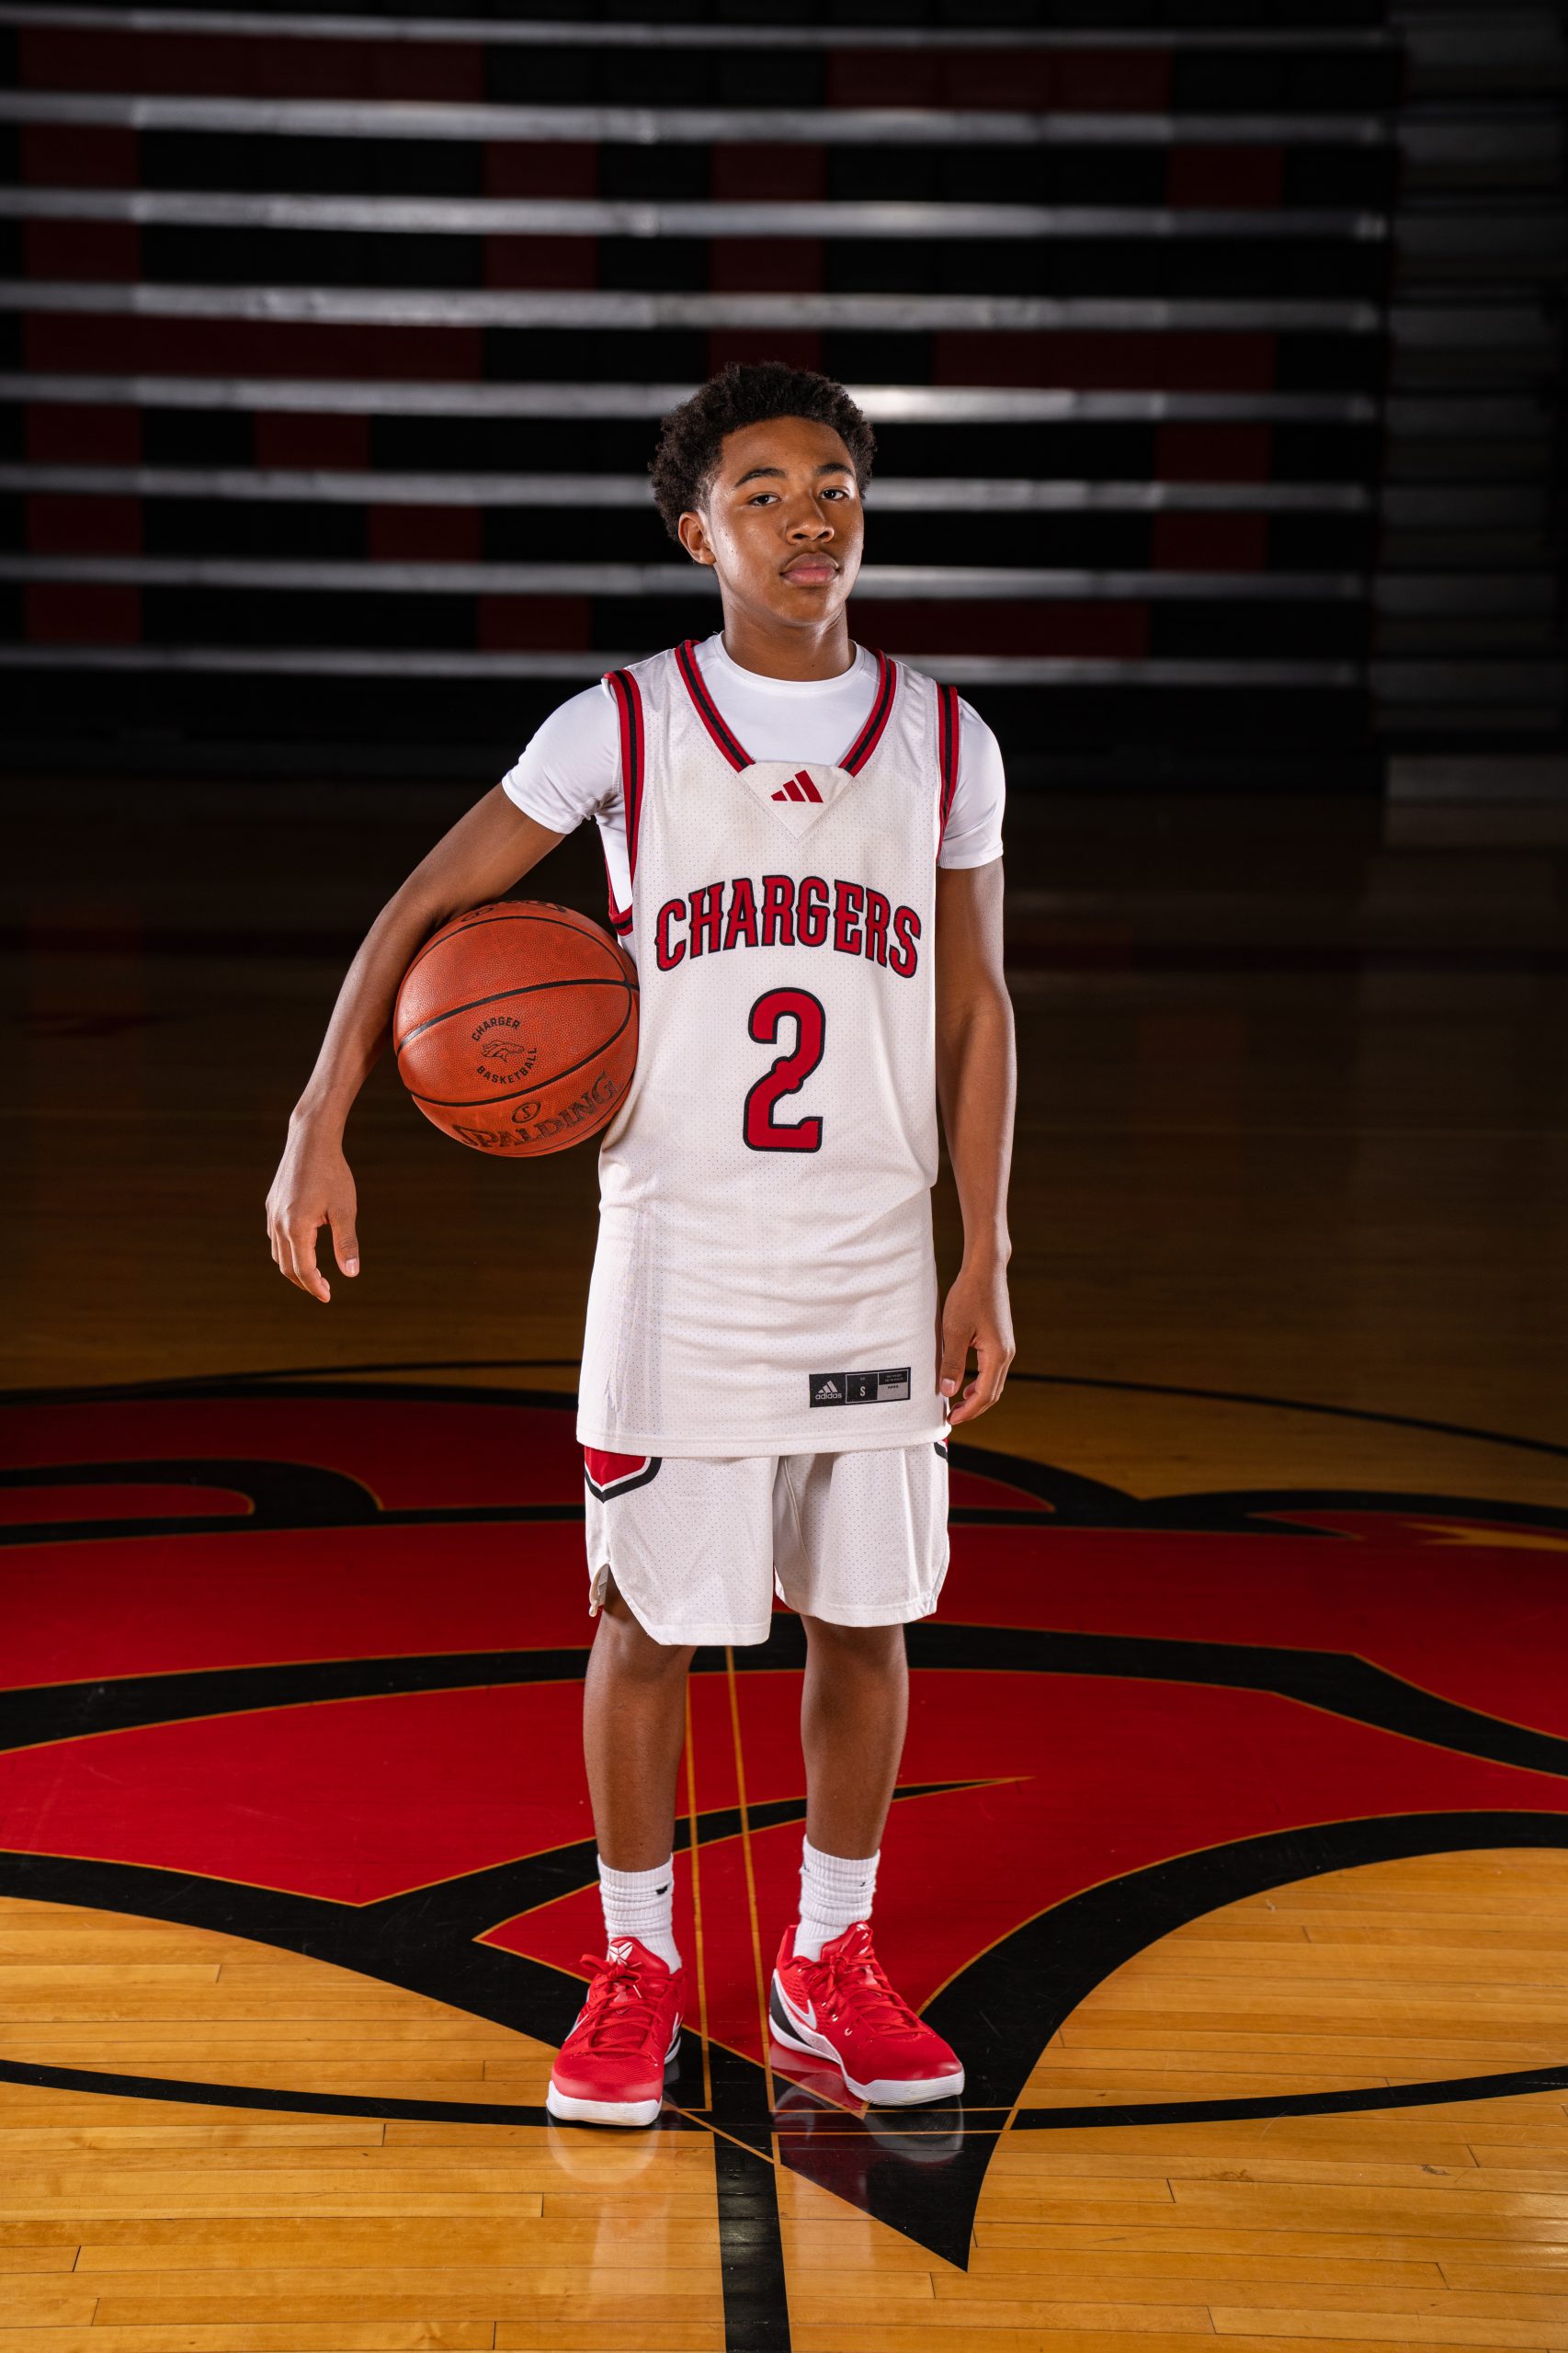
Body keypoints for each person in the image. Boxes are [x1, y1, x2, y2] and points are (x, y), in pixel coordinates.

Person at [267, 360, 1017, 2128]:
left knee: (865, 1620)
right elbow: (423, 906)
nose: (809, 517)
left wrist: (983, 1251)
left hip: (867, 1256)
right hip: (680, 1258)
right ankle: (633, 1963)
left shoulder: (943, 738)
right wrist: (319, 1116)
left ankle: (828, 1958)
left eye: (833, 485)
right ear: (696, 534)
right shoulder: (618, 724)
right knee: (647, 1626)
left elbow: (977, 1004)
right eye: (762, 492)